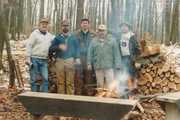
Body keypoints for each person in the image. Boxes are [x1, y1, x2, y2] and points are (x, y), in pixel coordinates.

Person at [49, 20, 80, 94]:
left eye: (67, 25)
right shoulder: (57, 38)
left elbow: (77, 48)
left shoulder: (73, 37)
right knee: (60, 82)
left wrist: (77, 58)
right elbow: (51, 49)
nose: (65, 27)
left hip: (70, 60)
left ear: (69, 27)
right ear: (61, 27)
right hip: (60, 60)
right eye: (64, 25)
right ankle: (61, 99)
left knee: (70, 82)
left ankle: (70, 99)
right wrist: (59, 46)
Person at [87, 24, 120, 89]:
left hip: (109, 66)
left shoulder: (112, 40)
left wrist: (118, 64)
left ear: (106, 31)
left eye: (103, 31)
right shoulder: (93, 41)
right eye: (100, 30)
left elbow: (116, 53)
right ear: (97, 32)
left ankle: (110, 98)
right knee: (99, 85)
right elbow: (90, 52)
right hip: (98, 66)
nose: (101, 32)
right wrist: (89, 63)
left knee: (110, 84)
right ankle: (100, 98)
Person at [26, 18, 54, 92]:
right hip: (34, 58)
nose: (44, 25)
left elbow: (55, 44)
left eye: (46, 24)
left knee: (45, 79)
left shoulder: (50, 36)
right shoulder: (34, 34)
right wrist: (28, 59)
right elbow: (29, 45)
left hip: (44, 60)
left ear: (48, 26)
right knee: (34, 79)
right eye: (43, 24)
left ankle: (45, 97)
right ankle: (33, 97)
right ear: (39, 25)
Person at [74, 18, 96, 95]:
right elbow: (74, 46)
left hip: (89, 58)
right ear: (81, 24)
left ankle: (89, 94)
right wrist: (76, 57)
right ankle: (78, 94)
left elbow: (95, 47)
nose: (85, 24)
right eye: (83, 23)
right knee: (78, 76)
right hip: (79, 57)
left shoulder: (93, 34)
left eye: (86, 23)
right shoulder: (76, 34)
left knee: (89, 76)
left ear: (89, 24)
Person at [118, 23, 140, 91]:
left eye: (125, 26)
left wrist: (137, 60)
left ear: (128, 28)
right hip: (122, 58)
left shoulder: (132, 36)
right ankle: (125, 89)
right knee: (124, 73)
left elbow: (137, 49)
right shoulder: (119, 36)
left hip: (130, 58)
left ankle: (133, 88)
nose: (123, 28)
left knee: (131, 73)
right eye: (122, 27)